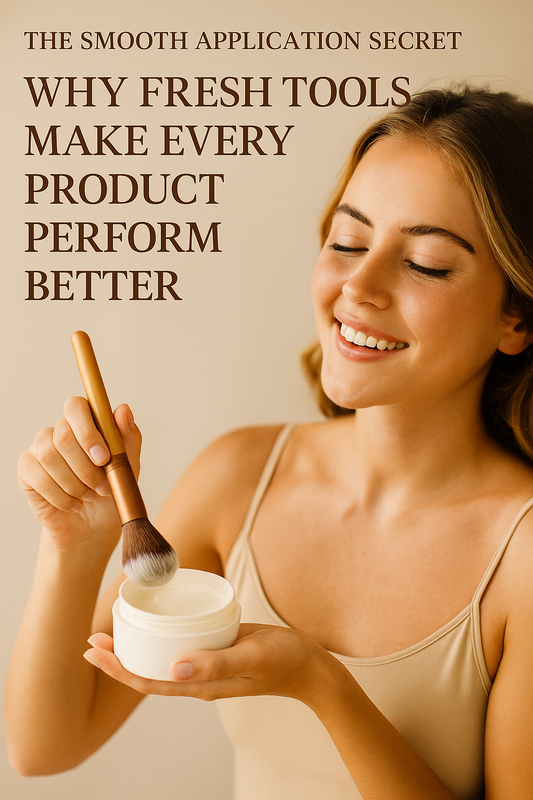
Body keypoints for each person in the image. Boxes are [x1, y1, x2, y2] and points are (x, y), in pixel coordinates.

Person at [7, 84, 533, 800]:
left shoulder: (520, 556)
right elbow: (44, 747)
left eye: (425, 263)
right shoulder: (241, 474)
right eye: (347, 242)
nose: (358, 285)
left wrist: (320, 685)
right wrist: (74, 545)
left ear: (516, 316)